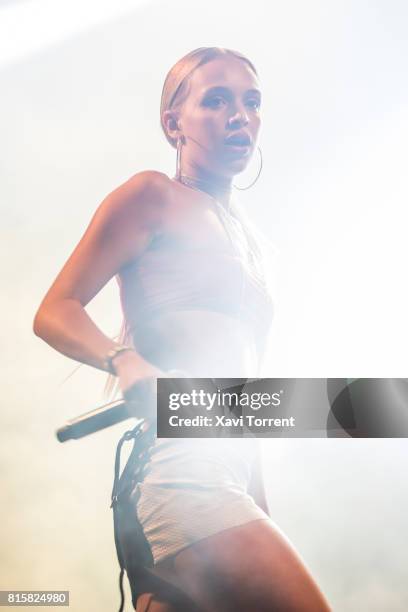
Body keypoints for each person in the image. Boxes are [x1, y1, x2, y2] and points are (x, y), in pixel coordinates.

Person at [33, 47, 331, 611]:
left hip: (224, 477)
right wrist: (125, 361)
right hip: (182, 476)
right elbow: (55, 309)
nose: (238, 115)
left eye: (251, 102)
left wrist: (258, 508)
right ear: (174, 123)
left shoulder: (256, 249)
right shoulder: (152, 196)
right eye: (215, 100)